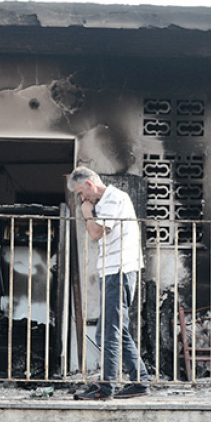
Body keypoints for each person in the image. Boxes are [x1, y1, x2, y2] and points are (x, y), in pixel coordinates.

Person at [67, 167, 150, 399]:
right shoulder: (104, 202)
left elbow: (95, 233)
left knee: (110, 331)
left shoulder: (114, 198)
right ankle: (140, 380)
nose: (83, 198)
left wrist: (86, 212)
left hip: (119, 271)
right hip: (113, 271)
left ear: (91, 185)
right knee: (113, 329)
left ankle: (105, 388)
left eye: (82, 193)